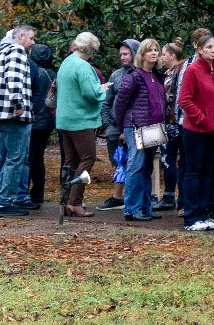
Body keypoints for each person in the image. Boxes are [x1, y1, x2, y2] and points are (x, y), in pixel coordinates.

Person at [175, 34, 214, 230]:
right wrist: (202, 118)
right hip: (196, 130)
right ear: (199, 49)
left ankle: (205, 213)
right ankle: (191, 217)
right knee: (194, 171)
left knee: (209, 172)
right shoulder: (192, 70)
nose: (213, 50)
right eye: (209, 47)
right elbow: (185, 100)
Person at [0, 24, 39, 216]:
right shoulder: (16, 51)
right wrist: (18, 103)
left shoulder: (1, 53)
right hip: (13, 113)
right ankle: (5, 202)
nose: (33, 42)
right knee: (16, 159)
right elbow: (14, 79)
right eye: (31, 38)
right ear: (20, 36)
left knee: (7, 158)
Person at [111, 37, 166, 222]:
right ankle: (132, 208)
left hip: (154, 127)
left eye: (156, 50)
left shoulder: (156, 76)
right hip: (136, 127)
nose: (154, 53)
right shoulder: (134, 76)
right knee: (136, 165)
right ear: (142, 54)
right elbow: (119, 104)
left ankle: (145, 207)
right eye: (150, 50)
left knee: (147, 167)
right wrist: (123, 127)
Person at [55, 33, 103, 219]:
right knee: (87, 159)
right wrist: (103, 90)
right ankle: (75, 202)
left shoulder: (66, 63)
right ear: (91, 50)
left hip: (64, 119)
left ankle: (65, 200)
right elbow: (91, 93)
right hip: (81, 120)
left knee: (70, 161)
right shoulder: (83, 67)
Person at [99, 40, 138, 209]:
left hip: (134, 126)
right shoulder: (116, 75)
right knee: (118, 161)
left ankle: (136, 196)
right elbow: (106, 102)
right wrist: (109, 125)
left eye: (126, 54)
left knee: (136, 162)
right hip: (115, 127)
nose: (122, 57)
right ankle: (117, 196)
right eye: (121, 54)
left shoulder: (141, 74)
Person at [26, 43, 58, 210]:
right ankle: (38, 193)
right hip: (48, 122)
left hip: (35, 120)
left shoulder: (33, 72)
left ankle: (26, 193)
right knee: (38, 158)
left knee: (29, 158)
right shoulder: (53, 73)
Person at [156, 41, 183, 212]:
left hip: (174, 122)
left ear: (172, 55)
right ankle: (169, 195)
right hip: (168, 121)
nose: (161, 57)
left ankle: (171, 196)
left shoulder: (179, 72)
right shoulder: (169, 72)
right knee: (168, 159)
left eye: (164, 54)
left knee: (170, 159)